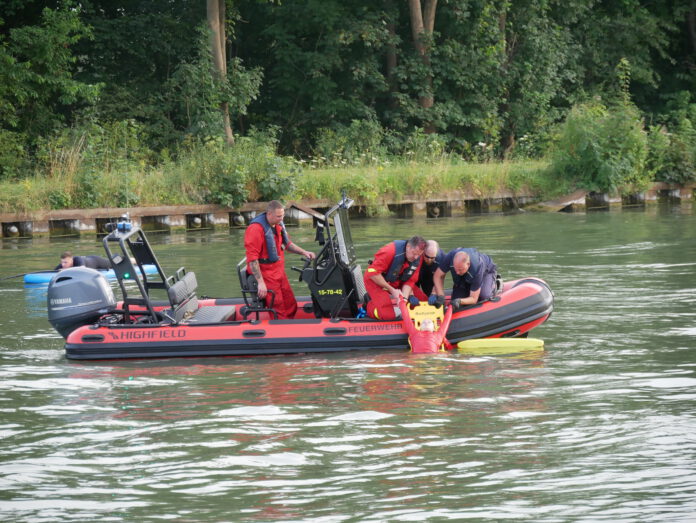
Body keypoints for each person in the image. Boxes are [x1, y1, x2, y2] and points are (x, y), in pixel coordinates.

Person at [244, 200, 316, 319]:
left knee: (290, 303)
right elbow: (252, 259)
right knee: (278, 307)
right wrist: (261, 283)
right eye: (278, 216)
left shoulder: (278, 225)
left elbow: (287, 245)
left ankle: (291, 326)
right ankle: (281, 331)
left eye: (282, 215)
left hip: (279, 271)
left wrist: (304, 252)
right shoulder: (255, 229)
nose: (281, 219)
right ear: (269, 214)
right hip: (266, 274)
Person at [363, 236, 426, 320]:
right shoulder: (389, 251)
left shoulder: (417, 258)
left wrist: (404, 298)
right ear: (408, 246)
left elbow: (410, 280)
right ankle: (368, 305)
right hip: (375, 280)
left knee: (424, 303)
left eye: (419, 254)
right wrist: (392, 290)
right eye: (414, 253)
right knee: (387, 316)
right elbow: (373, 273)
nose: (416, 257)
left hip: (397, 280)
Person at [431, 248, 498, 308]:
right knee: (455, 299)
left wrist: (459, 301)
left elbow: (474, 299)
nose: (457, 272)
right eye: (455, 269)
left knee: (484, 296)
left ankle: (494, 284)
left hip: (486, 273)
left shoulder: (477, 268)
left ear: (468, 264)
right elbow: (437, 275)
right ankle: (468, 286)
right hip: (464, 276)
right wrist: (440, 295)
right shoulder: (450, 257)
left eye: (460, 269)